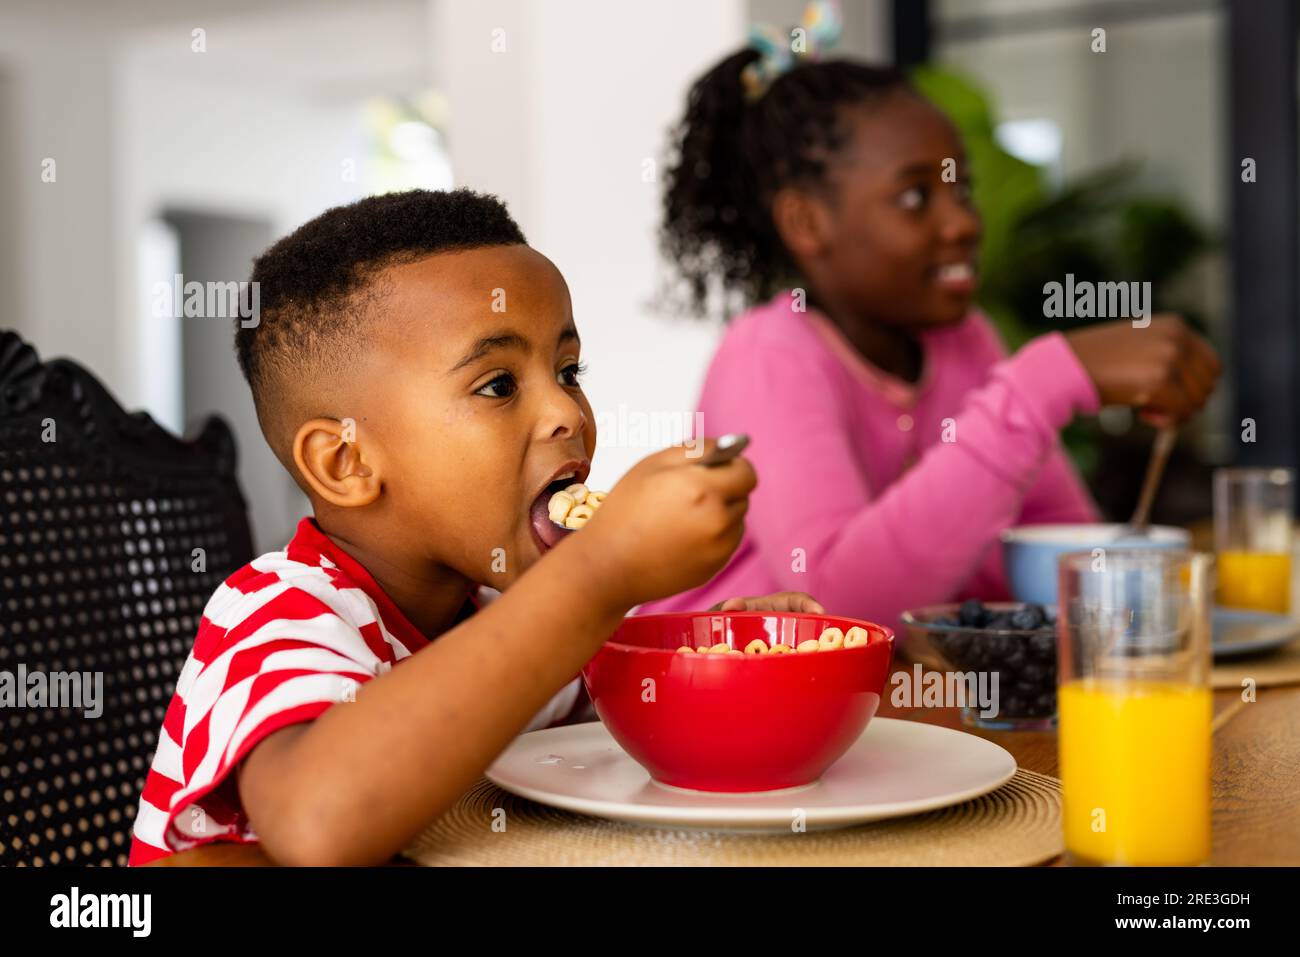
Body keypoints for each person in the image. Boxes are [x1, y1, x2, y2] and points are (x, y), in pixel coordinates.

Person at [128, 189, 816, 866]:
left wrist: (731, 662)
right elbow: (317, 823)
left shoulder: (500, 615)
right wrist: (599, 572)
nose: (567, 415)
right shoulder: (278, 612)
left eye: (569, 370)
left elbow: (628, 729)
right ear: (347, 461)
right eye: (497, 385)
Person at [642, 47, 1220, 624]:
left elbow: (1053, 550)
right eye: (916, 197)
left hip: (891, 696)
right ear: (807, 222)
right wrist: (1042, 384)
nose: (964, 222)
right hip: (717, 694)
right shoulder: (768, 355)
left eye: (961, 190)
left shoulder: (965, 341)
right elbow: (836, 608)